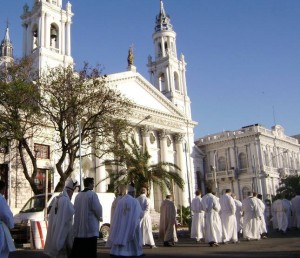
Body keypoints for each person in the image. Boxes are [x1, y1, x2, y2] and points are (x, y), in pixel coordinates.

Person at [44, 177, 78, 258]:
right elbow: (69, 214)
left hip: (56, 229)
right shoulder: (65, 201)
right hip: (64, 232)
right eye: (72, 193)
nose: (72, 195)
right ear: (70, 191)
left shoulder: (58, 199)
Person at [69, 177, 102, 258]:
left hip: (80, 228)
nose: (93, 185)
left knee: (80, 252)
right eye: (93, 183)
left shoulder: (78, 196)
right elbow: (97, 208)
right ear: (90, 184)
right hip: (90, 227)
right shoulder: (92, 195)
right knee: (90, 252)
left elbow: (75, 209)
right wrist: (99, 217)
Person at [109, 184, 144, 257]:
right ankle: (134, 252)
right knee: (132, 237)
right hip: (131, 223)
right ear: (133, 192)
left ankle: (118, 252)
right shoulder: (135, 201)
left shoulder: (120, 201)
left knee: (122, 234)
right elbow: (140, 214)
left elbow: (116, 214)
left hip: (121, 223)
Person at [0, 180, 16, 258]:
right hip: (0, 227)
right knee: (2, 251)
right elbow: (5, 214)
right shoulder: (0, 199)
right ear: (2, 189)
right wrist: (11, 225)